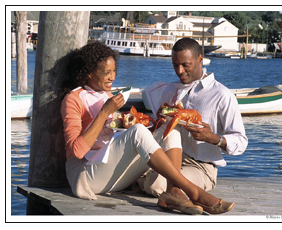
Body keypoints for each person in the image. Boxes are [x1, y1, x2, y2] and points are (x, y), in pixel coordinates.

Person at [60, 41, 235, 215]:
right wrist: (106, 111)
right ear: (89, 73)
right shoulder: (73, 99)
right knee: (137, 132)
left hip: (107, 171)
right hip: (84, 177)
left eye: (114, 71)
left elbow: (112, 136)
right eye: (106, 72)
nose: (112, 77)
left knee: (169, 126)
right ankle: (194, 191)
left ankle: (173, 191)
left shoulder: (105, 94)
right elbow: (77, 151)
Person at [140, 38, 248, 211]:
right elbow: (158, 131)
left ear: (200, 59)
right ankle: (174, 192)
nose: (179, 71)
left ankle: (159, 186)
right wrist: (160, 118)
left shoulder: (222, 95)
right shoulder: (169, 90)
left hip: (201, 166)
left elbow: (241, 142)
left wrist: (214, 138)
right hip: (167, 156)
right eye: (175, 65)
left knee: (156, 185)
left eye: (185, 65)